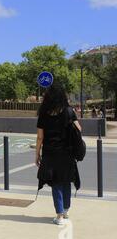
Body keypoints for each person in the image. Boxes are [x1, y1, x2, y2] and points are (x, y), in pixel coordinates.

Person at [36, 84, 82, 225]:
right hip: (67, 152)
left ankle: (59, 215)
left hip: (50, 152)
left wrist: (37, 154)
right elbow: (79, 129)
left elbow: (40, 137)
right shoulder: (69, 111)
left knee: (56, 182)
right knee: (66, 180)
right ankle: (66, 210)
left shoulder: (44, 113)